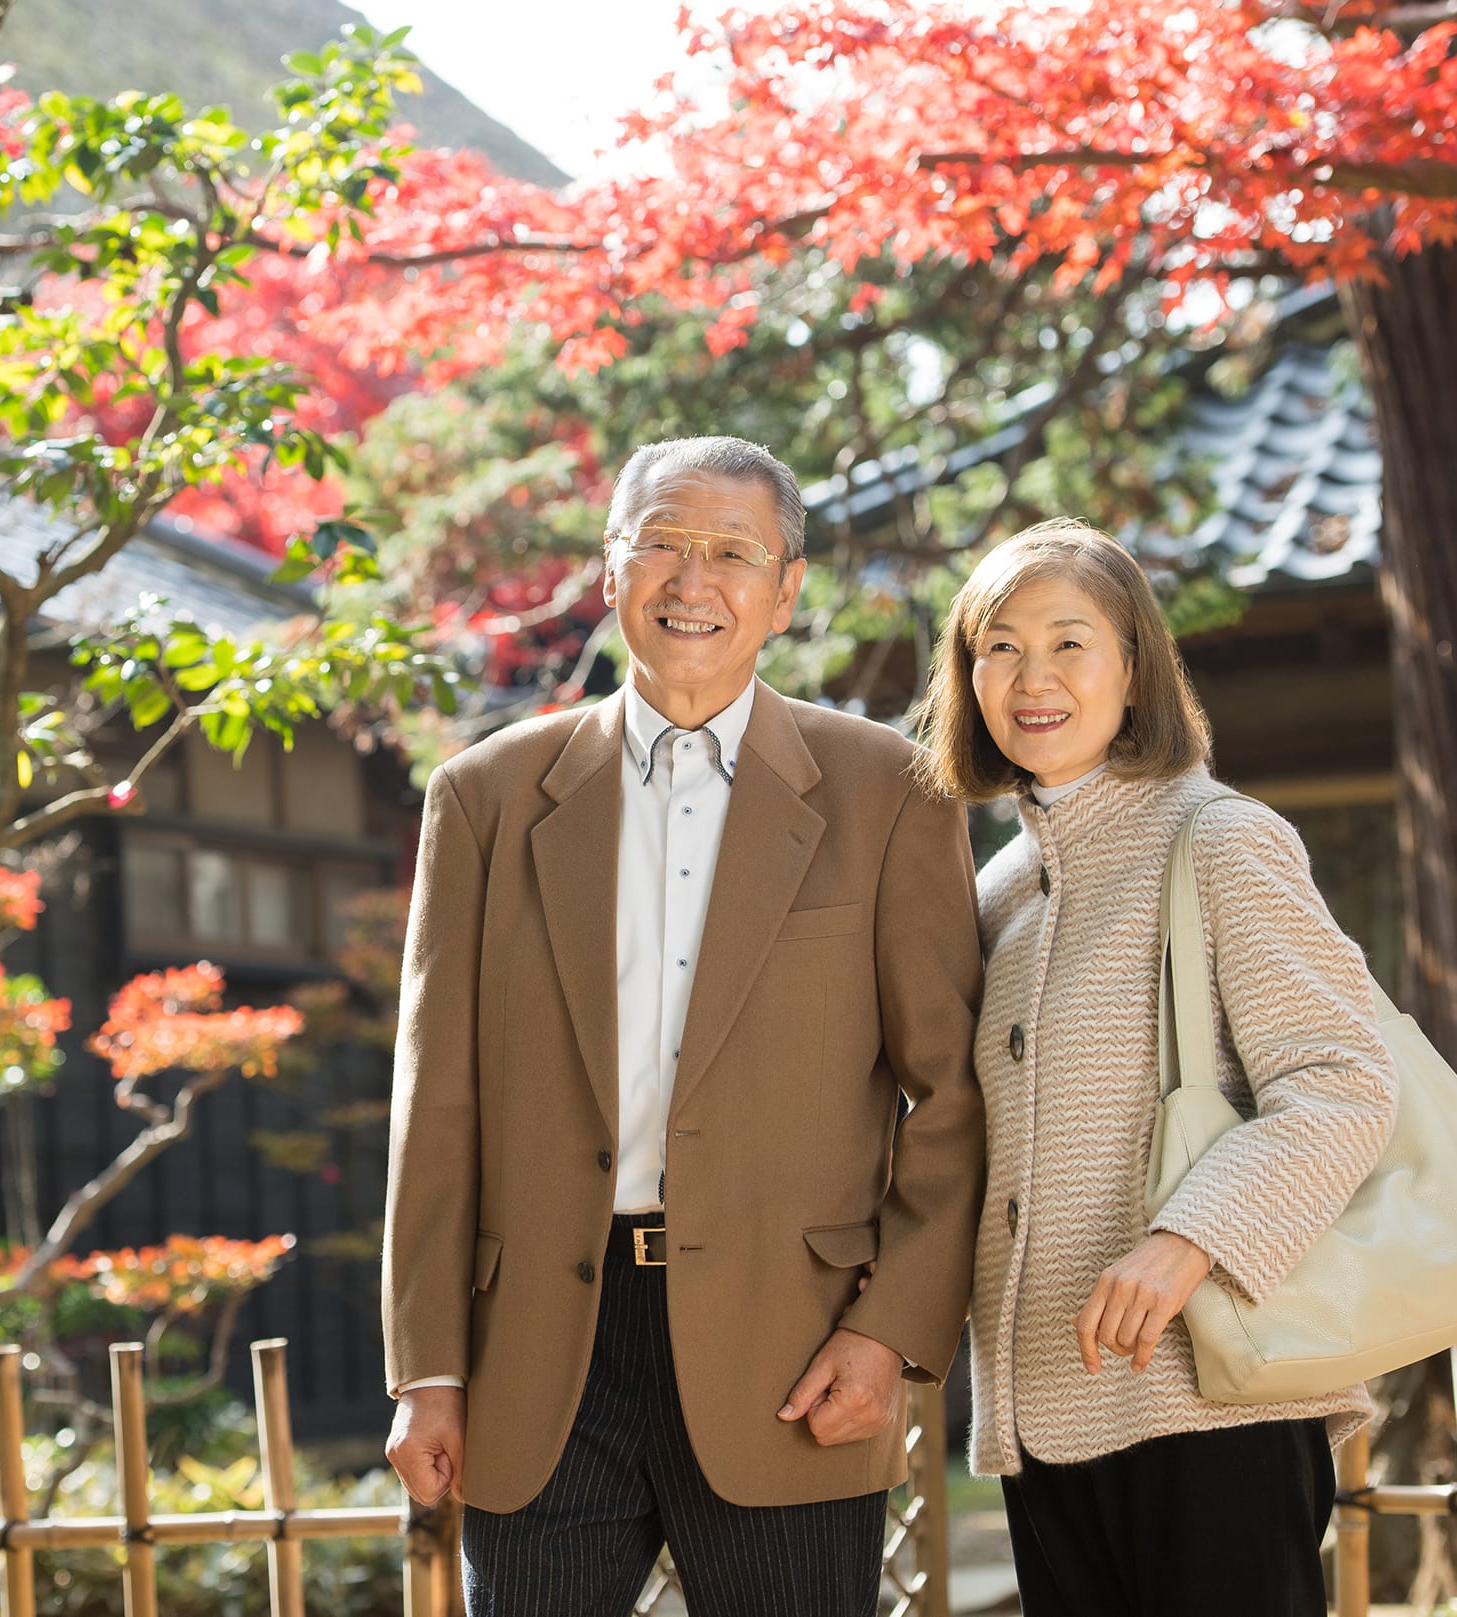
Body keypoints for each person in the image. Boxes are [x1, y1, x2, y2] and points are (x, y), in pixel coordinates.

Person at [381, 436, 986, 1617]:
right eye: (661, 543)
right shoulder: (487, 798)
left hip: (796, 1349)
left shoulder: (888, 792)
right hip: (543, 1353)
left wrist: (893, 1332)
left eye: (731, 552)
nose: (691, 581)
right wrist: (430, 1369)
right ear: (611, 570)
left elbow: (951, 1094)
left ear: (787, 588)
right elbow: (435, 1100)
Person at [910, 518, 1398, 1617]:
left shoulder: (1219, 837)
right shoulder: (995, 894)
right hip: (1046, 1420)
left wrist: (1189, 1243)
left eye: (1069, 642)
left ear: (1134, 670)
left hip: (1207, 1403)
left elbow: (1342, 1079)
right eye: (998, 646)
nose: (1032, 677)